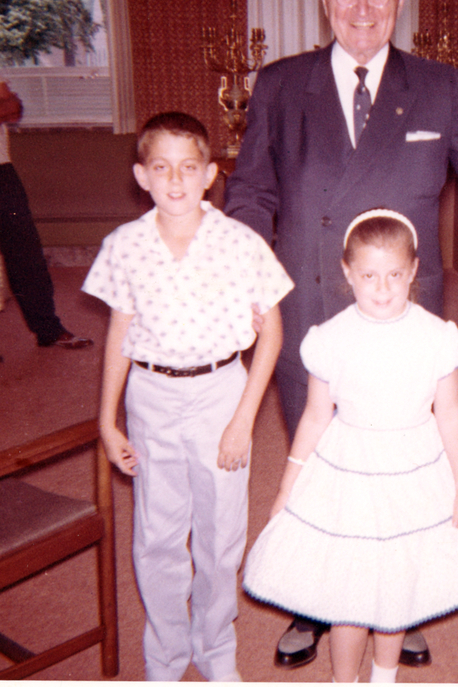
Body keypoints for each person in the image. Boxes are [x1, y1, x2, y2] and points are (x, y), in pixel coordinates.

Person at [223, 0, 458, 669]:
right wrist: (233, 265)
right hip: (309, 304)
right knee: (323, 451)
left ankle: (403, 594)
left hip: (405, 314)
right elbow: (250, 191)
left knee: (409, 455)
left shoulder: (437, 86)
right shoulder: (277, 84)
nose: (361, 5)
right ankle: (315, 601)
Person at [243, 209, 458, 683]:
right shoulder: (331, 338)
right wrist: (288, 485)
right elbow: (316, 415)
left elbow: (449, 414)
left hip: (414, 470)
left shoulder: (435, 336)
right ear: (347, 272)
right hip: (349, 470)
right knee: (349, 590)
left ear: (413, 271)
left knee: (395, 585)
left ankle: (384, 677)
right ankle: (344, 680)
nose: (382, 288)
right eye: (368, 276)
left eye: (394, 275)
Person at [82, 112, 293, 681]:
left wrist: (243, 420)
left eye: (188, 167)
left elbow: (271, 331)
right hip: (151, 397)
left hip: (221, 394)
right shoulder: (124, 246)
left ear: (210, 176)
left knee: (222, 537)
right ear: (142, 176)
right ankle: (167, 655)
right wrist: (108, 420)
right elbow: (119, 336)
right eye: (161, 167)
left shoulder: (238, 243)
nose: (175, 180)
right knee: (157, 535)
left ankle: (215, 648)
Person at [0, 80, 93, 348]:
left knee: (26, 254)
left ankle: (48, 328)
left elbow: (14, 110)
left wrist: (7, 102)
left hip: (2, 173)